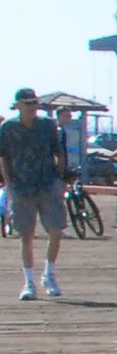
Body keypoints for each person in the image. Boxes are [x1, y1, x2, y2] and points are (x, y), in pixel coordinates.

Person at [1, 89, 69, 299]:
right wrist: (9, 183)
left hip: (48, 184)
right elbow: (3, 157)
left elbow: (59, 152)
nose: (32, 106)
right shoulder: (8, 128)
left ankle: (49, 274)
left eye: (35, 102)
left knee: (56, 230)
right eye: (28, 103)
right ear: (18, 105)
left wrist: (60, 177)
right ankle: (29, 282)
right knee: (26, 236)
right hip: (21, 187)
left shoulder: (48, 125)